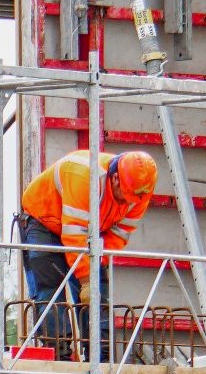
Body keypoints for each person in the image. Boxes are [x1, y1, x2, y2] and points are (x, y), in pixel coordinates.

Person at [18, 150, 157, 357]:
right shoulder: (85, 177)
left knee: (98, 294)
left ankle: (100, 357)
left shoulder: (138, 195)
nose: (127, 203)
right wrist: (86, 281)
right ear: (115, 178)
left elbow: (117, 236)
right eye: (125, 197)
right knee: (50, 290)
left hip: (88, 230)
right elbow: (74, 236)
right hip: (44, 221)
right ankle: (59, 356)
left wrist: (94, 271)